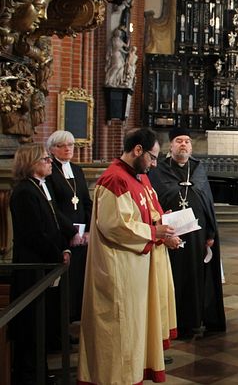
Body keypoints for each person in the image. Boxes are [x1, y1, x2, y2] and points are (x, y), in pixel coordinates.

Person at [78, 128, 181, 384]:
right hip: (119, 269)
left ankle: (134, 372)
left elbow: (149, 212)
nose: (155, 164)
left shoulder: (140, 177)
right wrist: (154, 231)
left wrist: (163, 227)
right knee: (120, 328)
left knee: (136, 328)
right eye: (153, 157)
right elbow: (116, 226)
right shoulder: (115, 180)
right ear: (138, 150)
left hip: (138, 266)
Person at [9, 143, 76, 385]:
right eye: (46, 159)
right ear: (31, 163)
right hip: (32, 267)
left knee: (42, 323)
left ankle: (40, 371)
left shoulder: (39, 187)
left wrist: (66, 243)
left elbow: (54, 221)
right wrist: (58, 252)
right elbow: (35, 234)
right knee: (30, 325)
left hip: (44, 264)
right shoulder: (24, 192)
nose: (50, 162)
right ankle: (29, 376)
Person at [150, 127, 226, 338]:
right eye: (178, 141)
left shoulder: (199, 169)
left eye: (187, 141)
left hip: (196, 235)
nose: (183, 144)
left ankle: (194, 320)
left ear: (191, 147)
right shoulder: (159, 170)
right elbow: (156, 198)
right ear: (171, 145)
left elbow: (207, 200)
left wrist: (210, 233)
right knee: (173, 276)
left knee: (194, 276)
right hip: (170, 233)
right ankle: (171, 321)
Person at [45, 130, 92, 323]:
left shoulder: (78, 170)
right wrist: (71, 232)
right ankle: (59, 326)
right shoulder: (49, 172)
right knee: (63, 284)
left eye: (71, 145)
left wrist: (88, 230)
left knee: (77, 281)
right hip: (62, 235)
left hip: (82, 237)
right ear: (51, 150)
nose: (67, 149)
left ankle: (71, 322)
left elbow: (86, 203)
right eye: (62, 146)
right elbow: (52, 207)